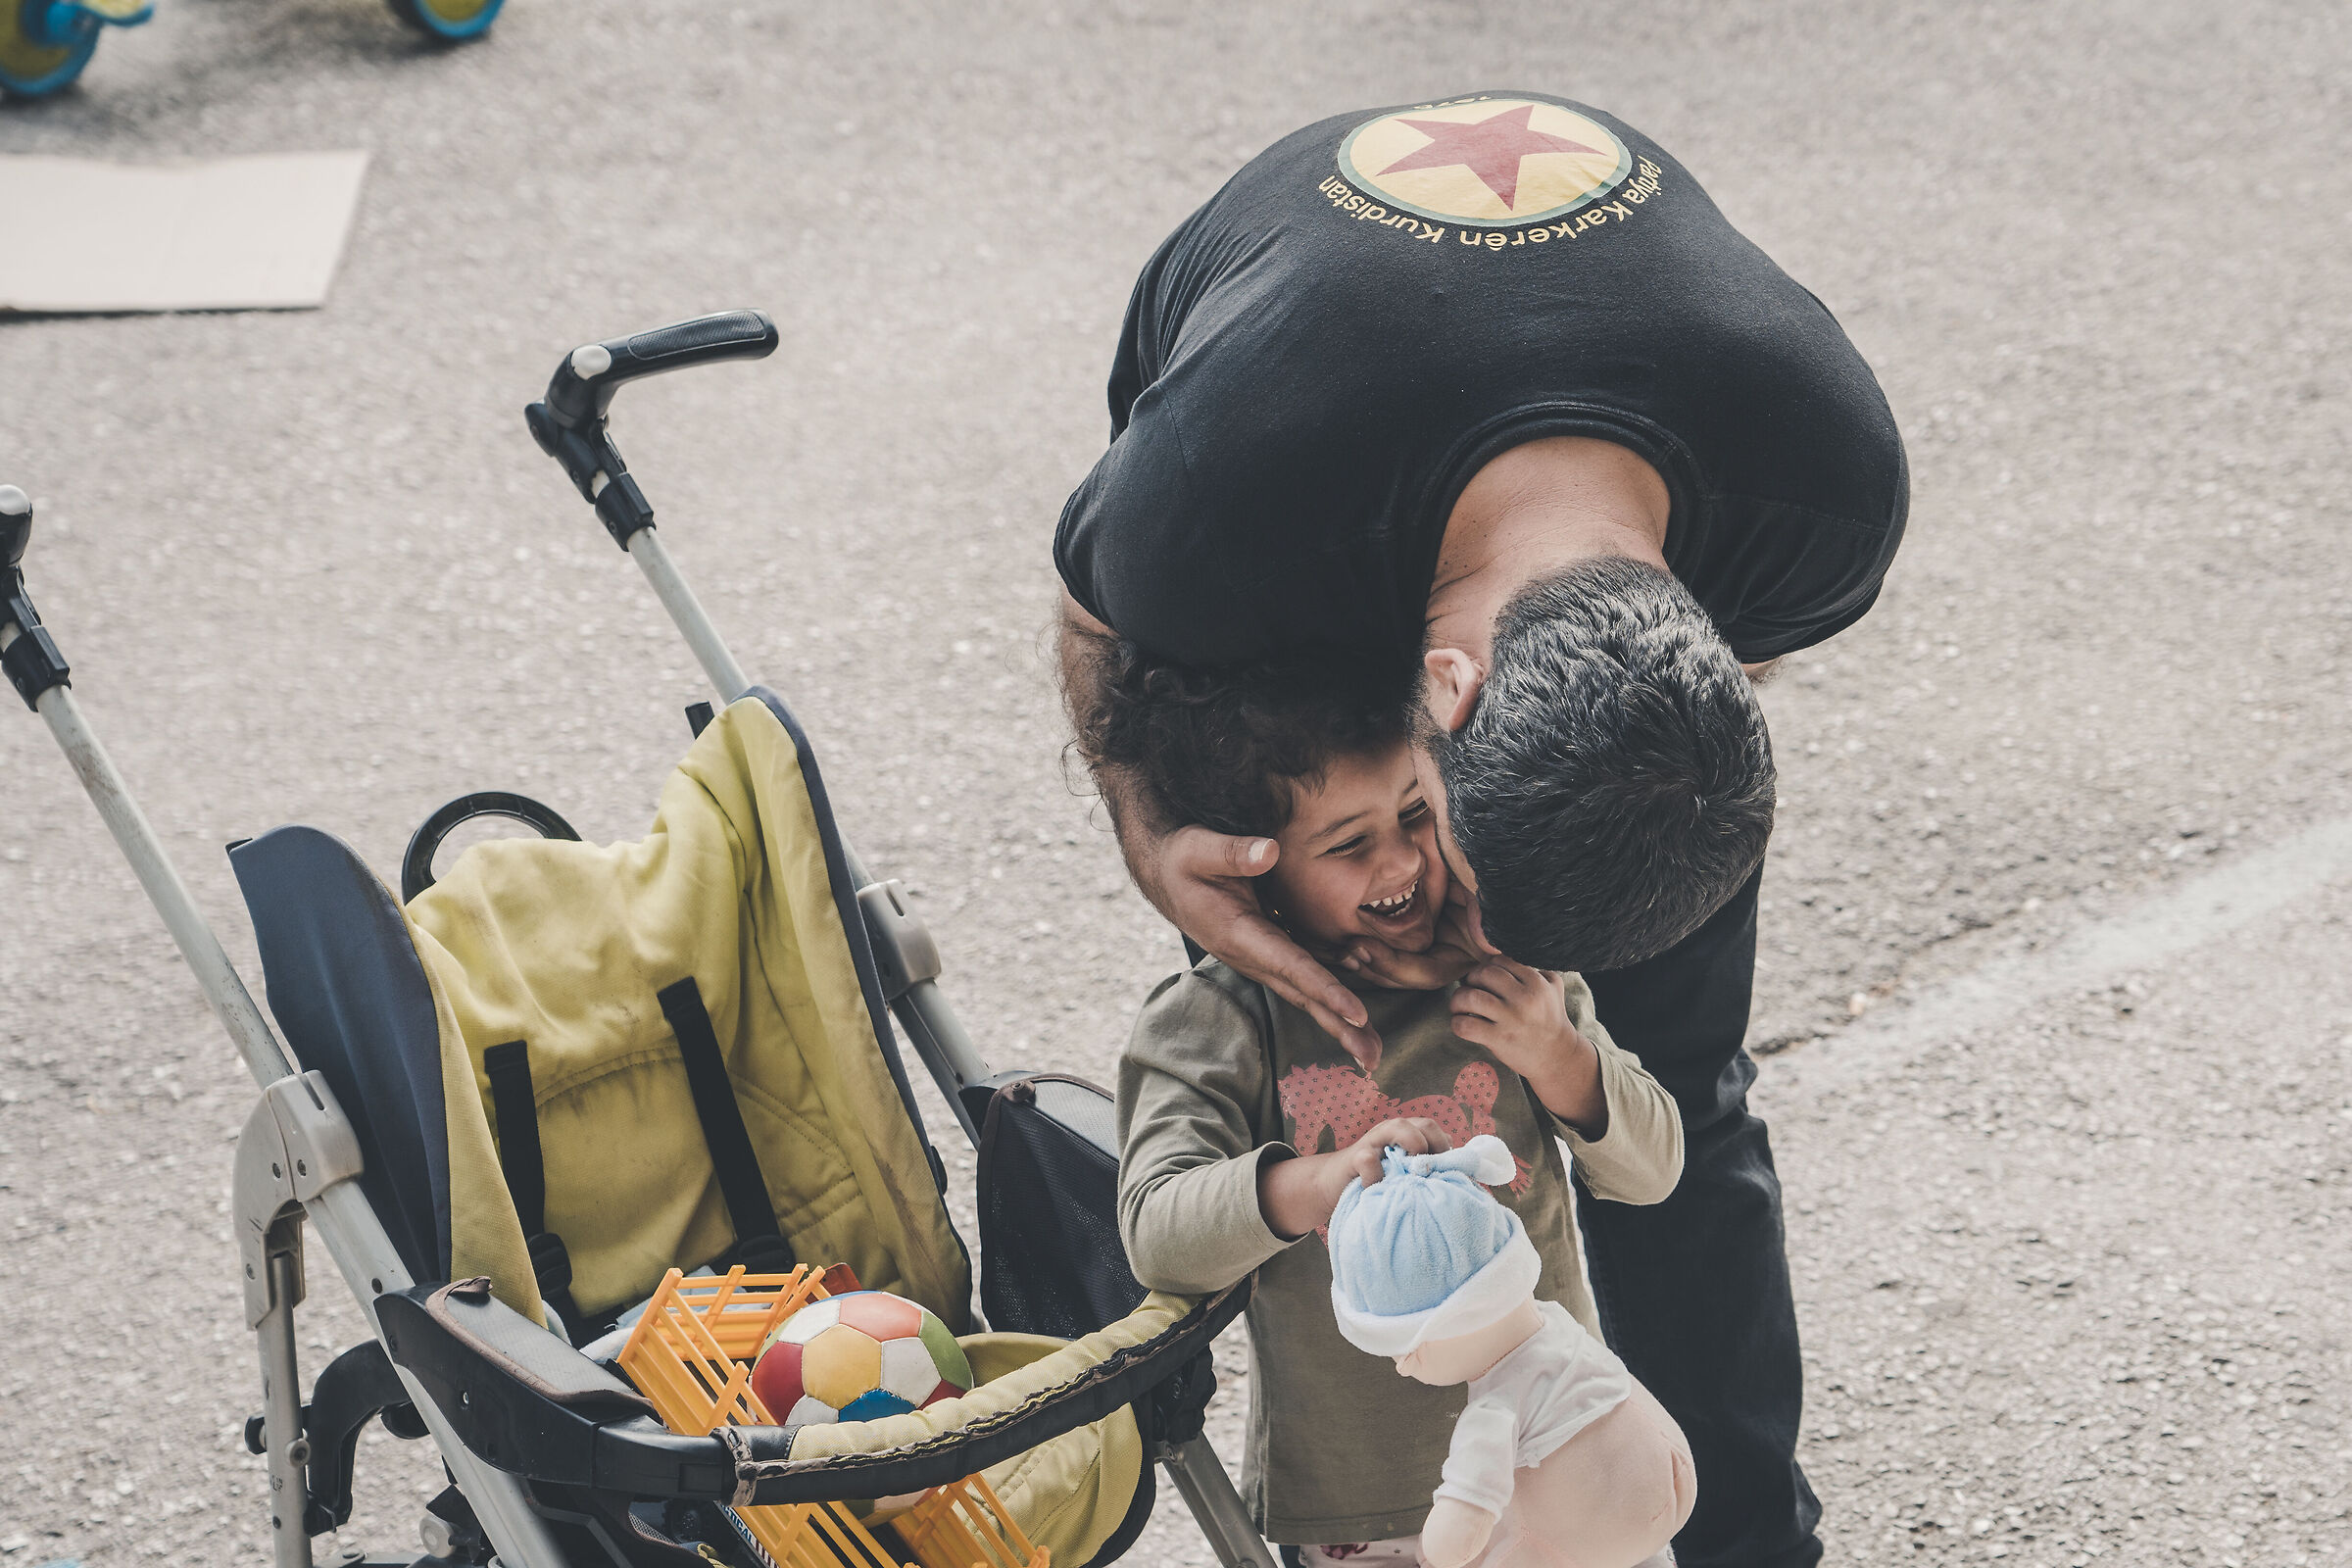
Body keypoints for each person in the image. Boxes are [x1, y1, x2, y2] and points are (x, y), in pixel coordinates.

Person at [1058, 92, 1908, 1567]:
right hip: (1314, 429)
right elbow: (1091, 612)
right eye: (1448, 855)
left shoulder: (1825, 492)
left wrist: (1593, 1050)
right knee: (1321, 1051)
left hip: (1569, 524)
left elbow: (1723, 692)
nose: (1432, 910)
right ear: (1436, 692)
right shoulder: (1213, 512)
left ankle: (1741, 1542)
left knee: (1675, 1096)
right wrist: (1150, 830)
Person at [1105, 660, 1684, 1561]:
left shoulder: (1510, 972)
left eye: (1416, 813)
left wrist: (1559, 1054)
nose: (1402, 861)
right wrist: (1322, 1183)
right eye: (1347, 844)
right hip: (1365, 1516)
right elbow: (1157, 1232)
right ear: (1250, 872)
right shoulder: (1219, 1022)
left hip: (1567, 1474)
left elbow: (1656, 1172)